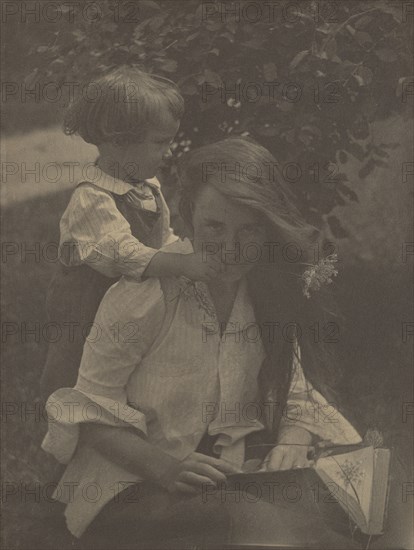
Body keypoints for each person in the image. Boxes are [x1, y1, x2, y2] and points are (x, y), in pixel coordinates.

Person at [41, 137, 362, 548]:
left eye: (249, 230)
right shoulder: (146, 295)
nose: (230, 249)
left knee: (354, 503)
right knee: (254, 523)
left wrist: (292, 442)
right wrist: (166, 469)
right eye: (215, 227)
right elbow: (89, 416)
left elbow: (296, 392)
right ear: (190, 215)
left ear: (268, 229)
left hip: (227, 471)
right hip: (136, 480)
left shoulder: (266, 294)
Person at [40, 66, 223, 399]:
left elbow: (159, 237)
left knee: (127, 355)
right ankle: (68, 417)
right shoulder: (91, 199)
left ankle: (124, 409)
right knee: (77, 359)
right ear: (118, 141)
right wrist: (181, 265)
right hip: (89, 298)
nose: (168, 152)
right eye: (160, 143)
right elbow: (124, 252)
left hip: (128, 294)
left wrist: (183, 254)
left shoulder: (146, 185)